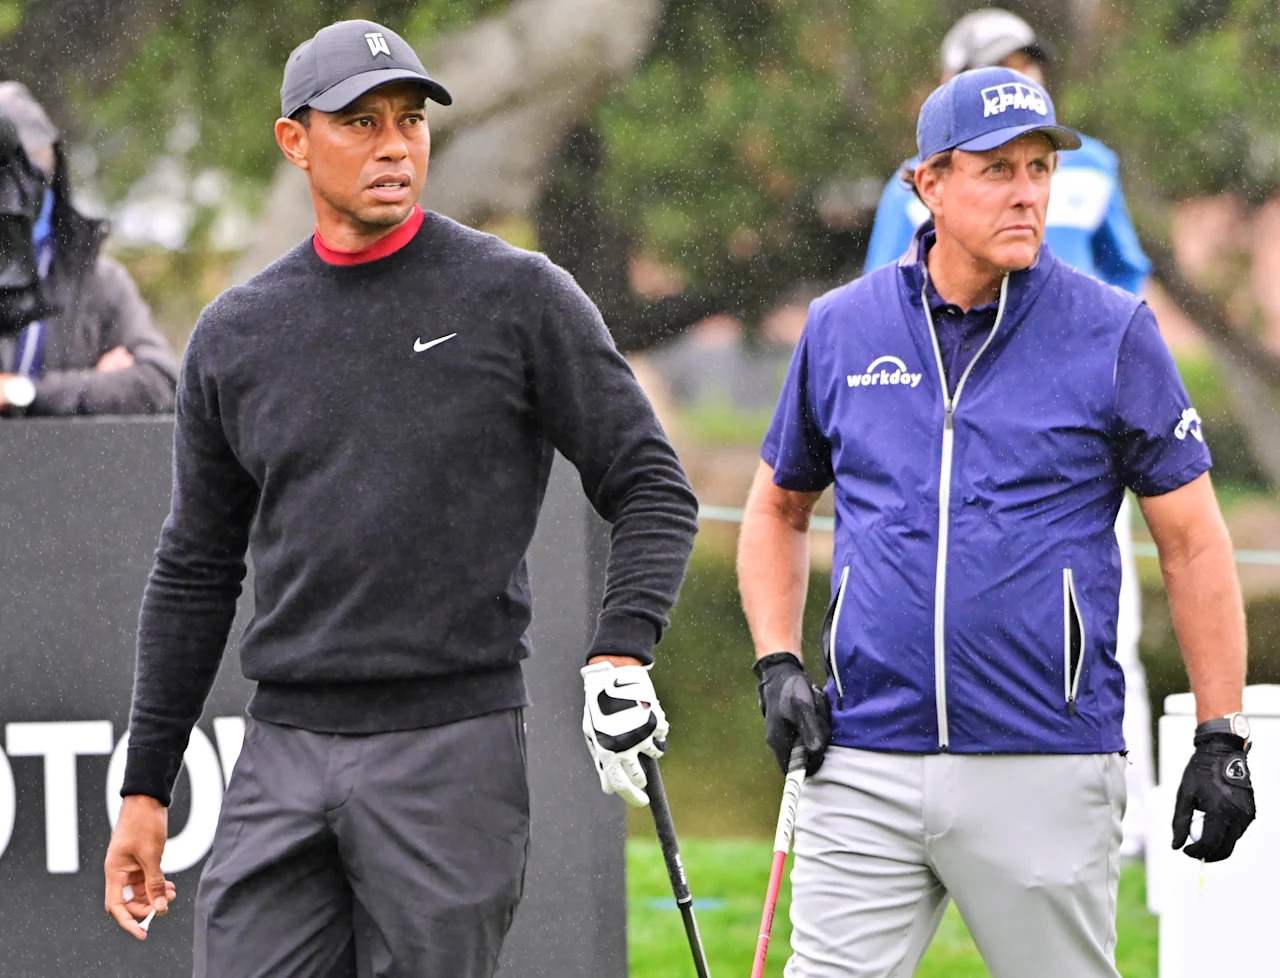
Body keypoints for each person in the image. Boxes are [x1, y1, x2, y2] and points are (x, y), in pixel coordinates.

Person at [102, 19, 697, 978]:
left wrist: (620, 650)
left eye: (410, 122)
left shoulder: (518, 297)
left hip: (450, 750)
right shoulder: (236, 334)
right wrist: (145, 787)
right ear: (294, 139)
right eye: (361, 122)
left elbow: (651, 484)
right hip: (284, 746)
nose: (394, 145)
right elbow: (195, 567)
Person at [738, 67, 1255, 977]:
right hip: (862, 759)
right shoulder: (841, 328)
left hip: (1044, 761)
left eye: (1040, 169)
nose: (1027, 193)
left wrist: (1220, 736)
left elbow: (1195, 542)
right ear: (927, 185)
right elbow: (778, 509)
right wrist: (778, 658)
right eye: (996, 170)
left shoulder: (1114, 332)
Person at [862, 7, 1156, 858]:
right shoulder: (913, 183)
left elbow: (1125, 275)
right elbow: (893, 289)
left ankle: (1127, 811)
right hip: (966, 423)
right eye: (1002, 65)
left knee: (1108, 618)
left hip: (1081, 429)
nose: (1023, 78)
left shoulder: (1089, 165)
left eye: (1029, 63)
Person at [0, 81, 177, 417]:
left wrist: (25, 391)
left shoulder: (97, 281)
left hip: (69, 466)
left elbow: (159, 382)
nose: (21, 197)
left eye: (39, 175)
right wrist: (94, 383)